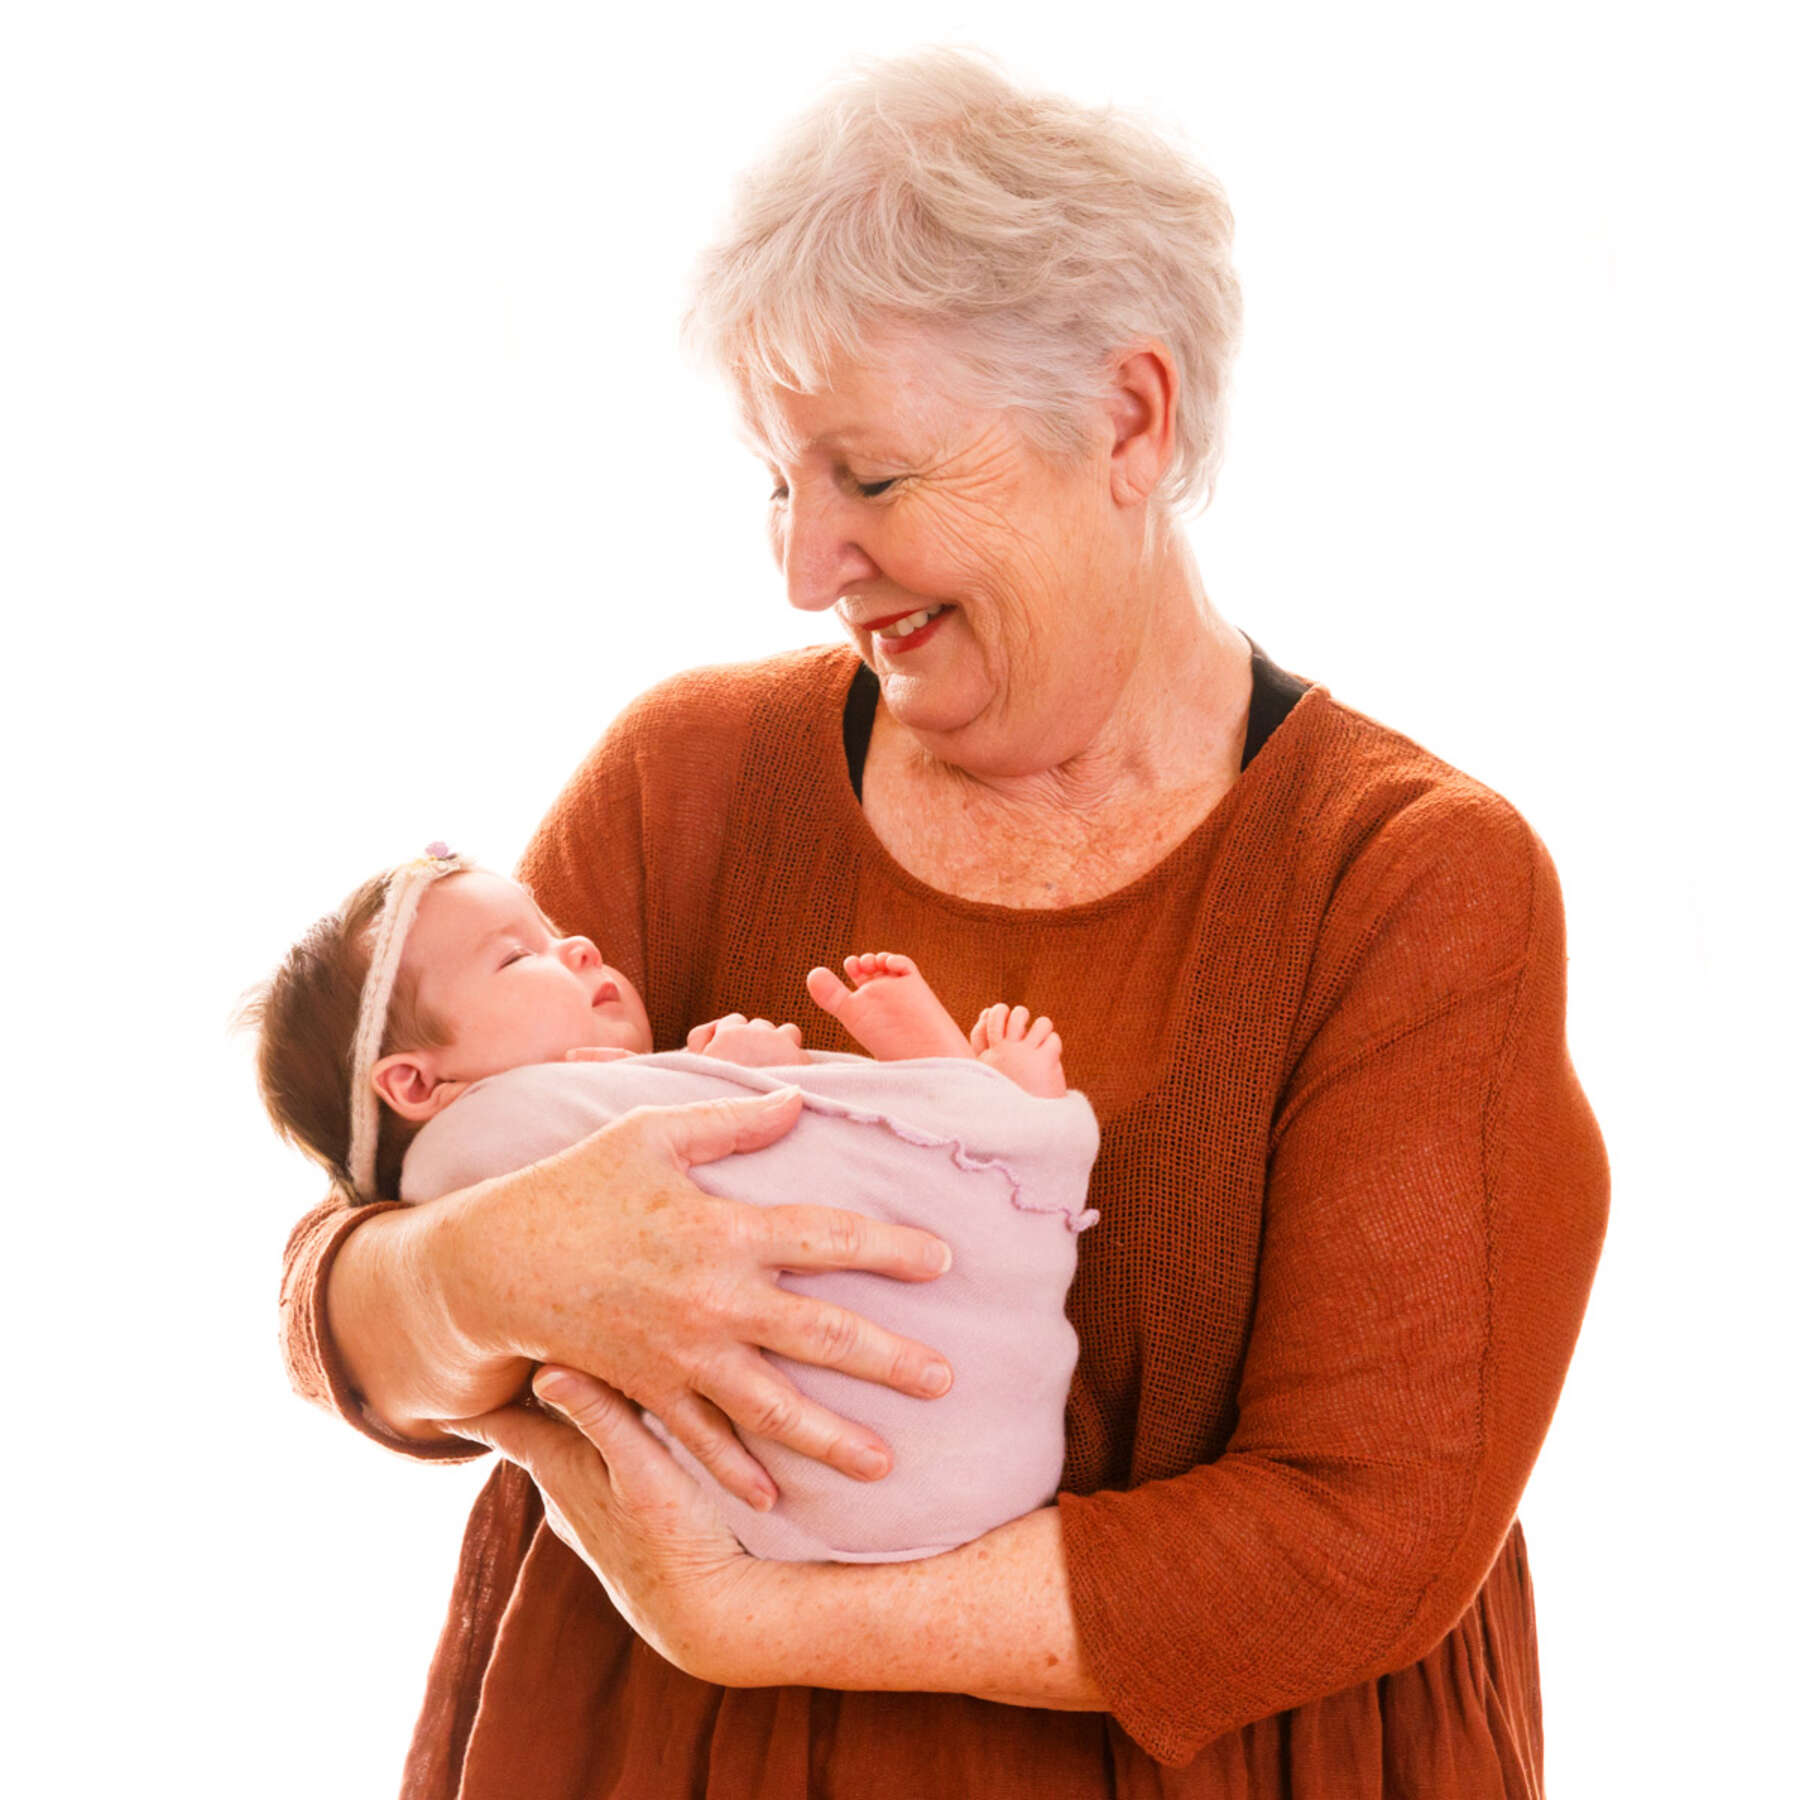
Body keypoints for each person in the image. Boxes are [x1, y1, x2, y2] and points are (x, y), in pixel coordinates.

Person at [279, 47, 1608, 1797]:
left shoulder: (1409, 884)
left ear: (1130, 420)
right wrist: (478, 1268)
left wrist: (762, 1621)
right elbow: (349, 1270)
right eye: (778, 479)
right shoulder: (690, 782)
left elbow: (1366, 1536)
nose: (802, 562)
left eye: (874, 479)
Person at [248, 854, 1097, 1562]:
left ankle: (969, 1098)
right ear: (416, 1083)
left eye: (549, 931)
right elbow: (333, 1283)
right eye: (518, 957)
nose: (578, 944)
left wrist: (734, 1068)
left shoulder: (581, 1097)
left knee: (871, 1194)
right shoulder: (476, 1141)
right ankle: (981, 1105)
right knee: (882, 1184)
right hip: (883, 1461)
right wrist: (746, 1072)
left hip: (931, 1452)